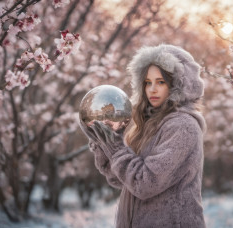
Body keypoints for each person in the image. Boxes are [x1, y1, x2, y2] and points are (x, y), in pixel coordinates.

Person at [80, 44, 206, 228]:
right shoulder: (147, 124)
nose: (152, 89)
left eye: (161, 82)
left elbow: (145, 183)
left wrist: (115, 147)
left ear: (179, 84)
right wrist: (104, 144)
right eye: (148, 82)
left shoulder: (182, 126)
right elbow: (120, 180)